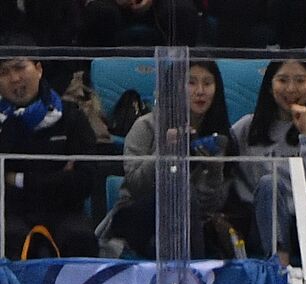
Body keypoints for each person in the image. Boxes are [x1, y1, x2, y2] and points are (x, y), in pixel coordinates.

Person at [100, 60, 236, 260]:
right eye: (191, 83)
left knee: (166, 241)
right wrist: (164, 153)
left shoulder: (220, 136)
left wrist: (215, 171)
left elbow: (210, 207)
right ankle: (192, 272)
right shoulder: (146, 126)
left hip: (189, 224)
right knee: (181, 191)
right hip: (139, 215)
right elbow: (136, 186)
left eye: (207, 83)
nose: (200, 91)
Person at [231, 59, 306, 284]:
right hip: (266, 222)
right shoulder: (246, 127)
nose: (291, 89)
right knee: (268, 182)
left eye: (300, 81)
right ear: (269, 85)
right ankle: (280, 266)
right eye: (283, 80)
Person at [0, 37, 98, 259]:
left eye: (19, 67)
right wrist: (56, 178)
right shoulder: (4, 125)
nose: (14, 78)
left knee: (80, 239)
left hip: (64, 212)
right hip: (9, 213)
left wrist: (16, 179)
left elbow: (85, 181)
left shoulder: (71, 116)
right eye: (4, 72)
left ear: (38, 69)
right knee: (9, 239)